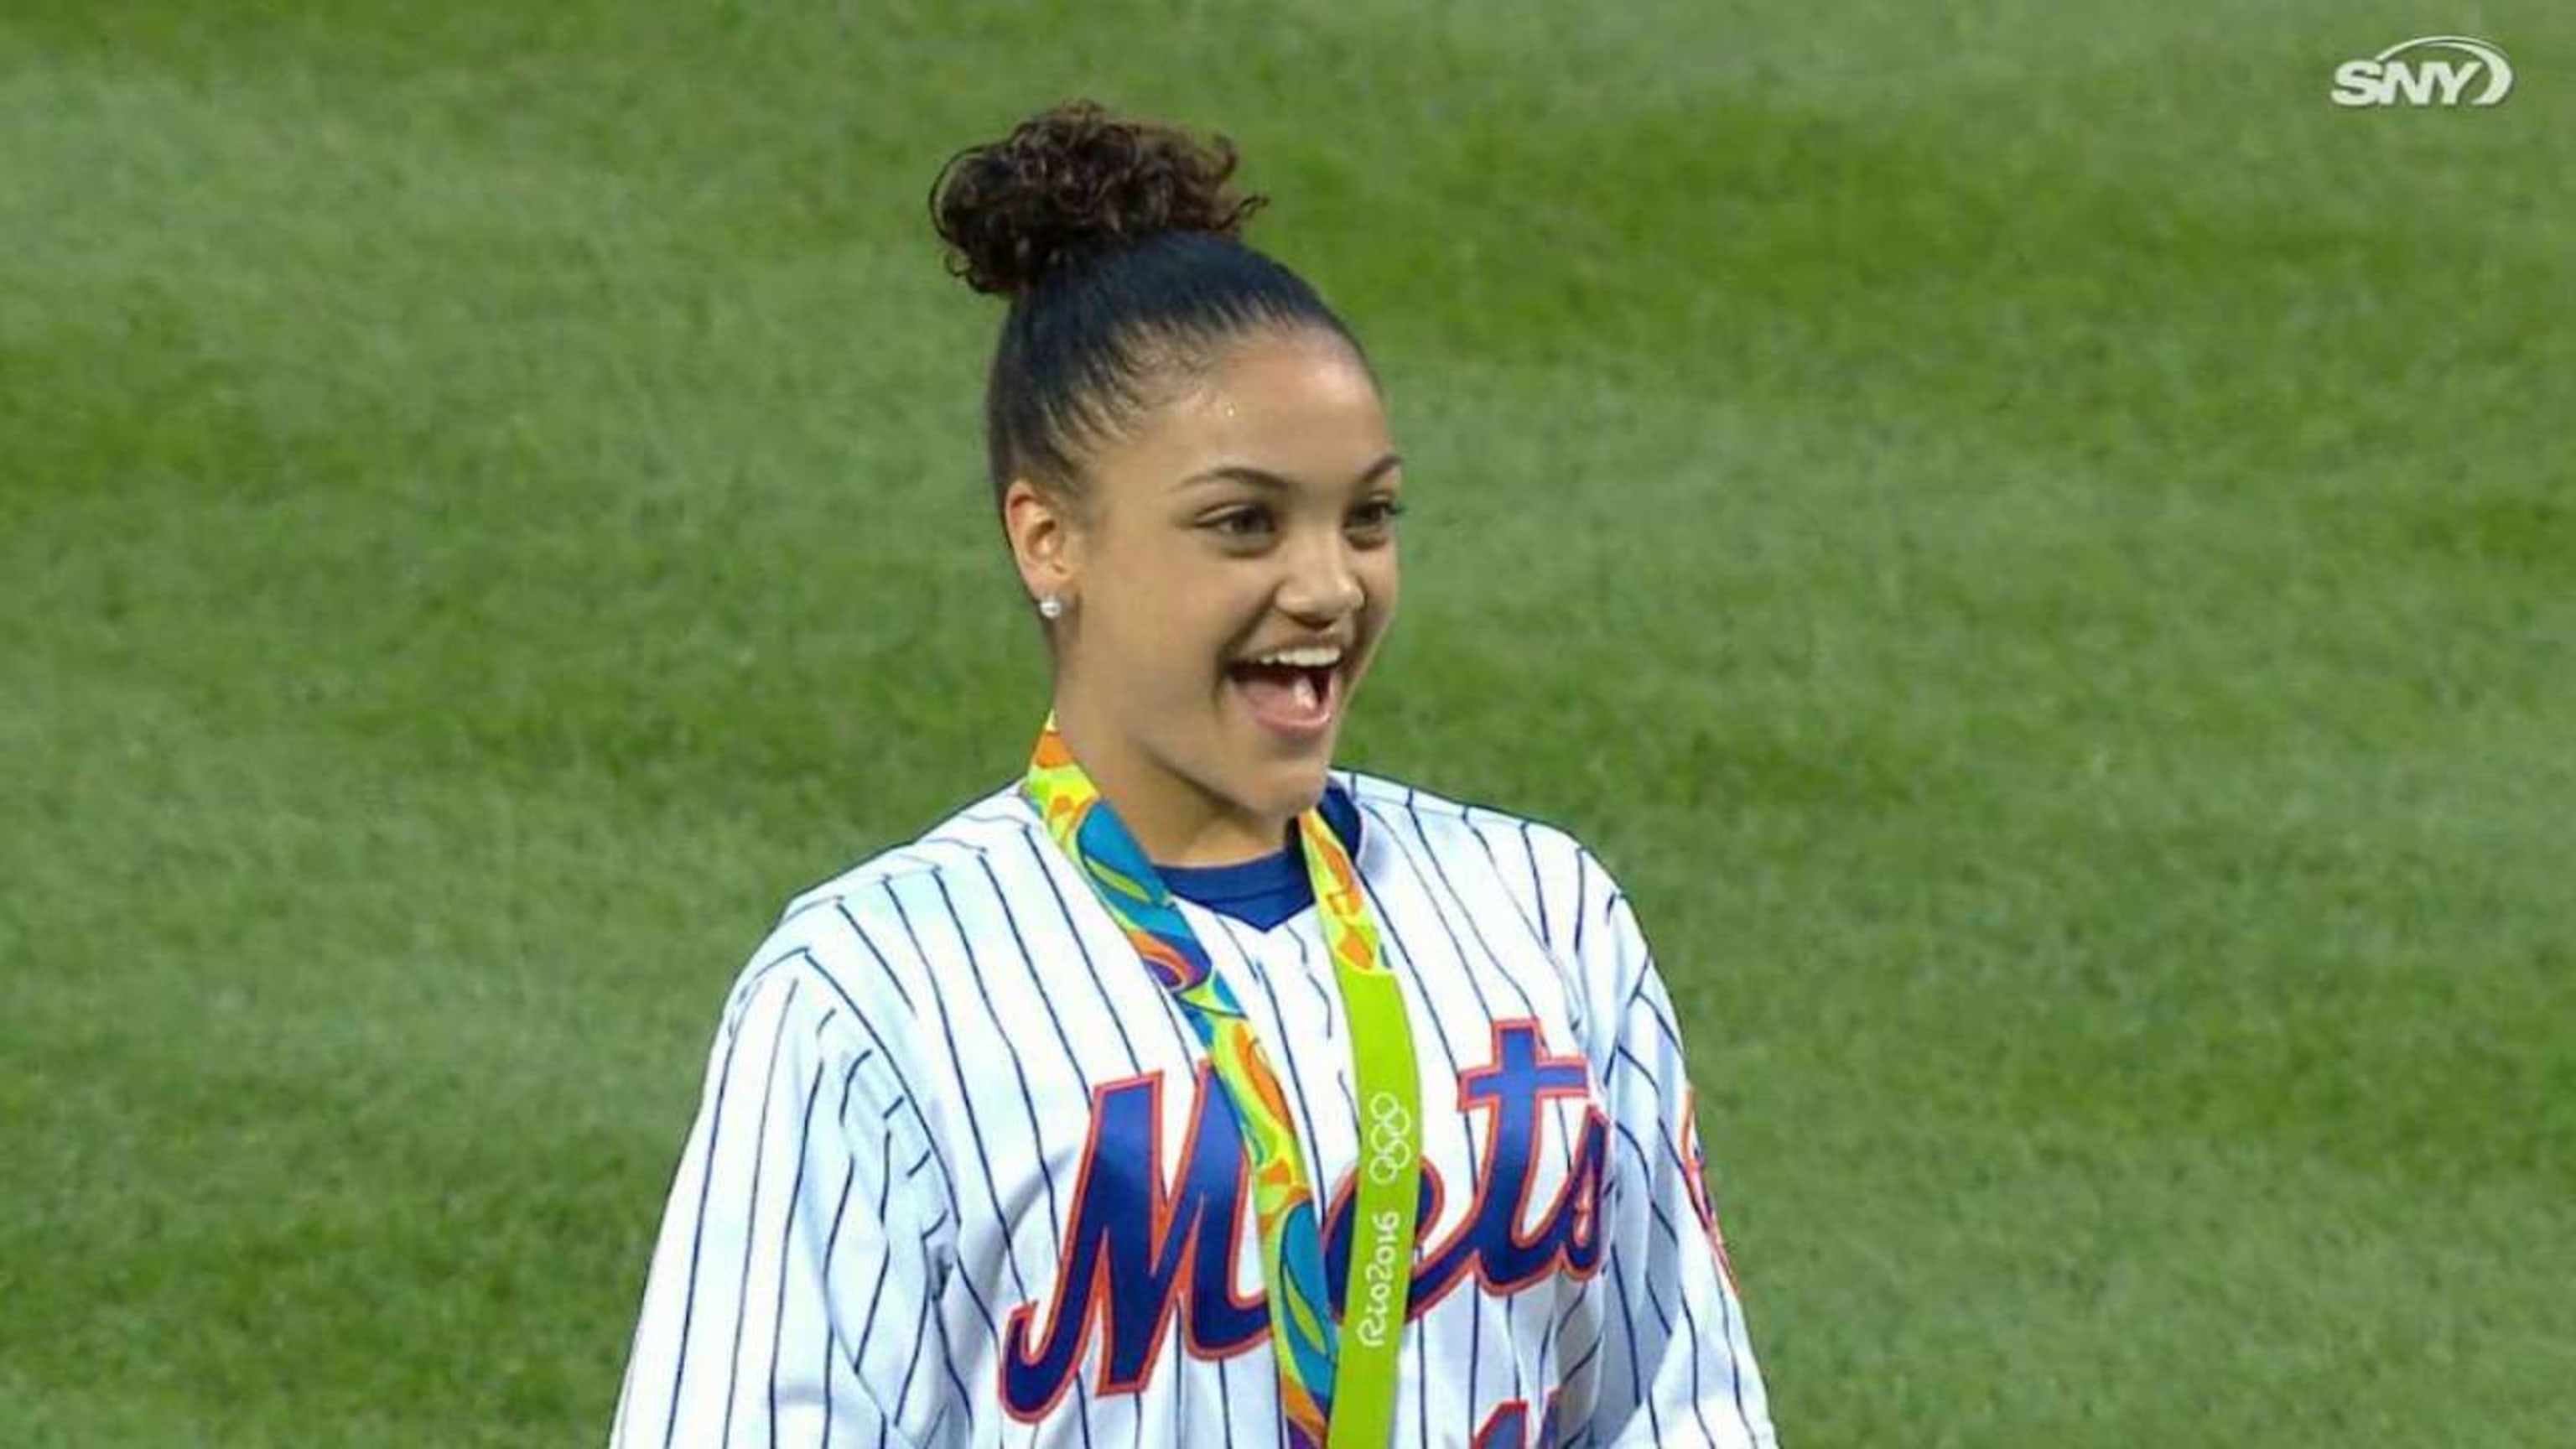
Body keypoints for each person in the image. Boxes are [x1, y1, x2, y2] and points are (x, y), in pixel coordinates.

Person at [608, 97, 1779, 1449]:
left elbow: (1677, 1411)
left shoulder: (1544, 913)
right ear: (1050, 539)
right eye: (1244, 524)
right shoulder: (873, 998)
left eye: (1370, 517)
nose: (1328, 585)